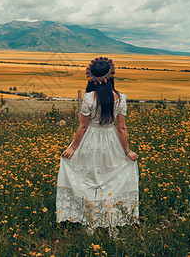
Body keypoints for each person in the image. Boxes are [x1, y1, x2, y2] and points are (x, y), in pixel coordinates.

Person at [56, 56, 139, 238]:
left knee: (89, 180)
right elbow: (121, 128)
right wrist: (127, 151)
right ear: (110, 77)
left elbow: (83, 126)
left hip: (90, 142)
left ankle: (91, 223)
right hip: (111, 142)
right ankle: (111, 223)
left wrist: (73, 148)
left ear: (92, 78)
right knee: (109, 181)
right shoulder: (120, 98)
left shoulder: (88, 98)